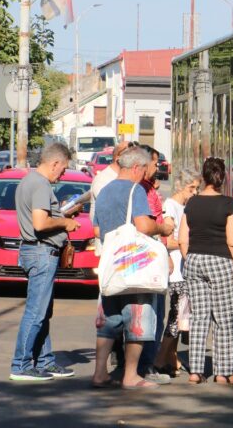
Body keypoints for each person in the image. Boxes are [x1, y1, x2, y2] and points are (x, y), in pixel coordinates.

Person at [90, 146, 162, 390]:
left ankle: (100, 373)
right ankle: (131, 375)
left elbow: (97, 229)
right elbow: (143, 226)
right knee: (137, 320)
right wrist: (161, 228)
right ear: (136, 168)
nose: (146, 174)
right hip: (134, 266)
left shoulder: (104, 190)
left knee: (108, 320)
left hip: (110, 265)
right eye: (145, 169)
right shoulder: (135, 190)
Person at [9, 143, 81, 382]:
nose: (63, 174)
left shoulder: (29, 181)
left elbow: (40, 217)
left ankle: (44, 361)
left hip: (35, 251)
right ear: (54, 163)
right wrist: (65, 223)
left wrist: (62, 215)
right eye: (63, 168)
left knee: (42, 311)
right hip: (41, 252)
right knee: (36, 312)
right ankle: (20, 365)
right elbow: (40, 224)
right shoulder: (40, 184)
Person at [179, 157, 233, 386]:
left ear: (203, 177)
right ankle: (223, 372)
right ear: (223, 178)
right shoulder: (228, 204)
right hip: (221, 262)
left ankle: (196, 372)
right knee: (224, 318)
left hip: (194, 260)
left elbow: (182, 239)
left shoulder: (192, 203)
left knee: (199, 317)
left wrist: (192, 259)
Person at [153, 168, 201, 377]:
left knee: (180, 317)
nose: (195, 192)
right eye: (192, 188)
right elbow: (167, 240)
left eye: (197, 188)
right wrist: (188, 244)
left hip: (183, 269)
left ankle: (169, 358)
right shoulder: (171, 206)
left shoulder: (183, 206)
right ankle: (160, 359)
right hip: (176, 271)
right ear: (181, 186)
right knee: (176, 316)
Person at [136, 145, 176, 385]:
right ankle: (146, 365)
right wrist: (165, 245)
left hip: (150, 256)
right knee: (153, 314)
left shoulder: (147, 187)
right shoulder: (142, 190)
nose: (157, 167)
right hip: (151, 259)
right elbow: (149, 226)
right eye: (154, 163)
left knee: (152, 313)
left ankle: (143, 363)